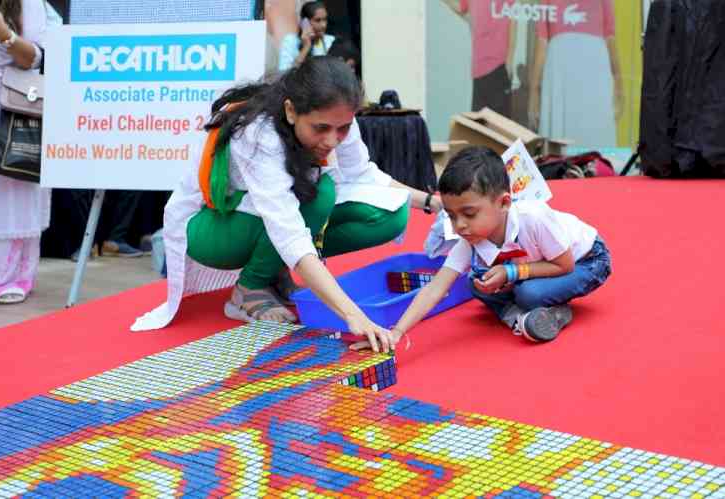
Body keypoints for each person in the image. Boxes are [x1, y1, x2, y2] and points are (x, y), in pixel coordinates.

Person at [132, 56, 443, 353]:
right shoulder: (257, 133)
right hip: (210, 230)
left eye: (342, 129)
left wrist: (433, 203)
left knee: (391, 214)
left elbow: (364, 176)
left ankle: (273, 274)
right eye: (320, 129)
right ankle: (249, 290)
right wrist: (352, 315)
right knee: (318, 194)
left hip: (273, 221)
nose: (333, 140)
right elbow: (288, 231)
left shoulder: (337, 117)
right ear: (291, 111)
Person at [353, 146, 611, 349]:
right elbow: (435, 288)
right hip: (535, 268)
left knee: (529, 294)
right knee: (476, 282)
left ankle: (539, 310)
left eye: (469, 214)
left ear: (504, 203)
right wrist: (396, 332)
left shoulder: (534, 218)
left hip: (586, 261)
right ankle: (526, 319)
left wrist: (510, 273)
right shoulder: (471, 237)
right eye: (452, 216)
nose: (459, 226)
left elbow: (563, 264)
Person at [0, 0, 49, 304]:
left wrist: (5, 35)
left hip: (7, 103)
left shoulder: (28, 2)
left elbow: (36, 58)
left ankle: (7, 278)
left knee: (8, 190)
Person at [528, 0, 622, 147]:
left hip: (588, 68)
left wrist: (618, 83)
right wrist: (534, 92)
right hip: (565, 69)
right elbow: (542, 41)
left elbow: (610, 36)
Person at [442, 0, 515, 115]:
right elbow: (462, 8)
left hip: (498, 66)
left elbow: (513, 18)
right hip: (478, 69)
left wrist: (509, 60)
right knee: (479, 127)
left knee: (498, 127)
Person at [278, 1, 335, 71]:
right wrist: (306, 47)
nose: (323, 25)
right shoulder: (290, 41)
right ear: (305, 22)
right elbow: (284, 74)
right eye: (318, 20)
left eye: (325, 19)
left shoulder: (330, 40)